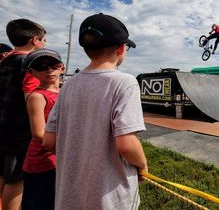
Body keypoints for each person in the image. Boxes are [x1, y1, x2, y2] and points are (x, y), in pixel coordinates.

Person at [43, 13, 148, 210]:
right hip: (110, 199)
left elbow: (48, 141)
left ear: (86, 49)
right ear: (121, 48)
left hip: (68, 196)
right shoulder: (124, 83)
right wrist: (142, 165)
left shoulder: (68, 85)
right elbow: (126, 145)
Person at [0, 19, 47, 210]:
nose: (44, 44)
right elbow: (33, 100)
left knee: (2, 176)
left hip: (2, 130)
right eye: (44, 40)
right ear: (35, 40)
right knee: (15, 182)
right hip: (19, 135)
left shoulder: (4, 60)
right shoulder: (30, 65)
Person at [21, 49, 63, 210]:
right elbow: (39, 134)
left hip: (58, 161)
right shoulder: (37, 96)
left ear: (62, 68)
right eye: (41, 66)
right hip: (41, 164)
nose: (49, 70)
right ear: (31, 72)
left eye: (54, 65)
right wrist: (68, 150)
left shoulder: (64, 93)